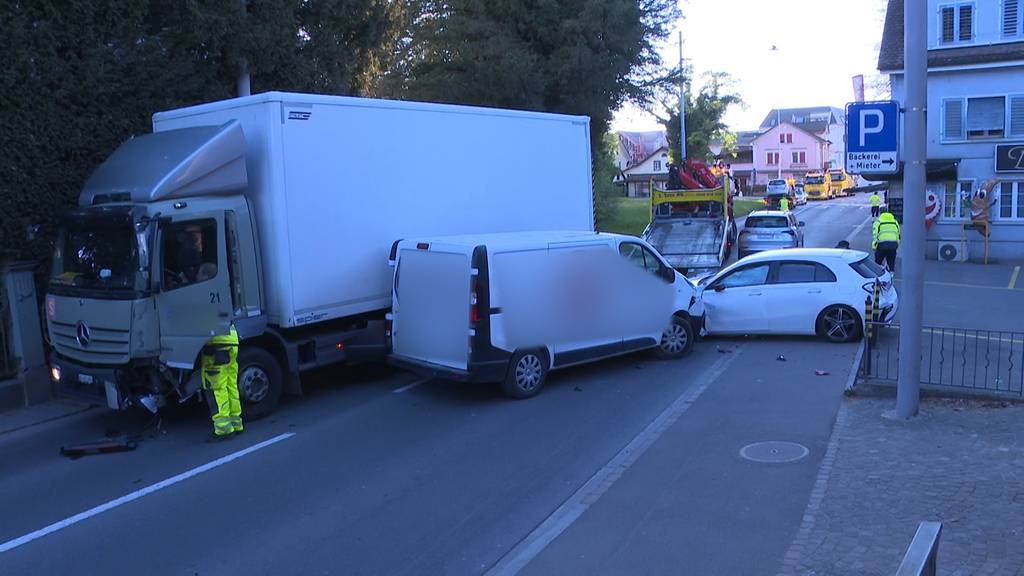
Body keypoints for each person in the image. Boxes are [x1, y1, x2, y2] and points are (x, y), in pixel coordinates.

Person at [202, 325, 242, 441]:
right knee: (231, 385)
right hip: (232, 341)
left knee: (216, 387)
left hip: (217, 344)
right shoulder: (219, 305)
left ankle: (223, 429)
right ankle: (236, 423)